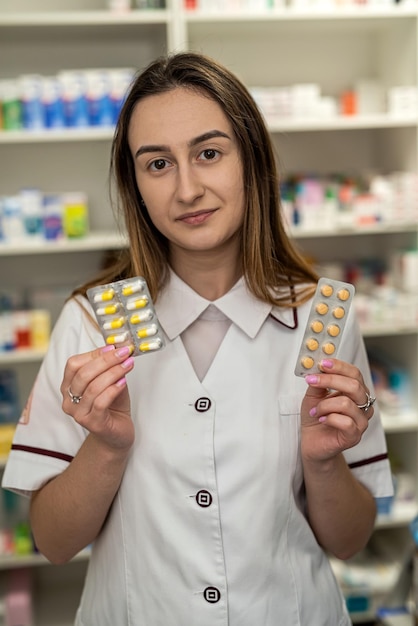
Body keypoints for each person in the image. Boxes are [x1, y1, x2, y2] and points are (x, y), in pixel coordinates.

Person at [3, 52, 393, 626]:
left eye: (209, 153)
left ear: (252, 162)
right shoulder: (91, 323)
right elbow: (54, 543)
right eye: (157, 164)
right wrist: (106, 448)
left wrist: (326, 465)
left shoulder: (320, 319)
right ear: (134, 184)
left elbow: (350, 539)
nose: (187, 189)